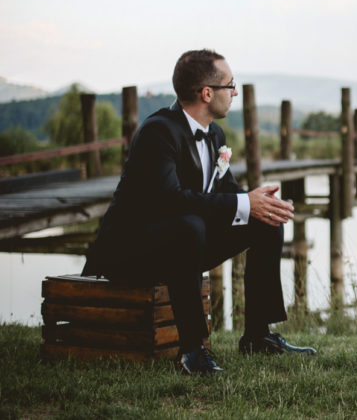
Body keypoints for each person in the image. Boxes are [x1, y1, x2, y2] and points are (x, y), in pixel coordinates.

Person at [83, 49, 316, 375]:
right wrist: (243, 202)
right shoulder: (158, 132)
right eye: (230, 85)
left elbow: (227, 194)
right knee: (189, 225)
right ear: (207, 93)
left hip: (181, 244)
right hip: (131, 252)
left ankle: (257, 336)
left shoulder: (215, 135)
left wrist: (258, 203)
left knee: (266, 222)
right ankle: (192, 351)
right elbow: (168, 201)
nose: (235, 92)